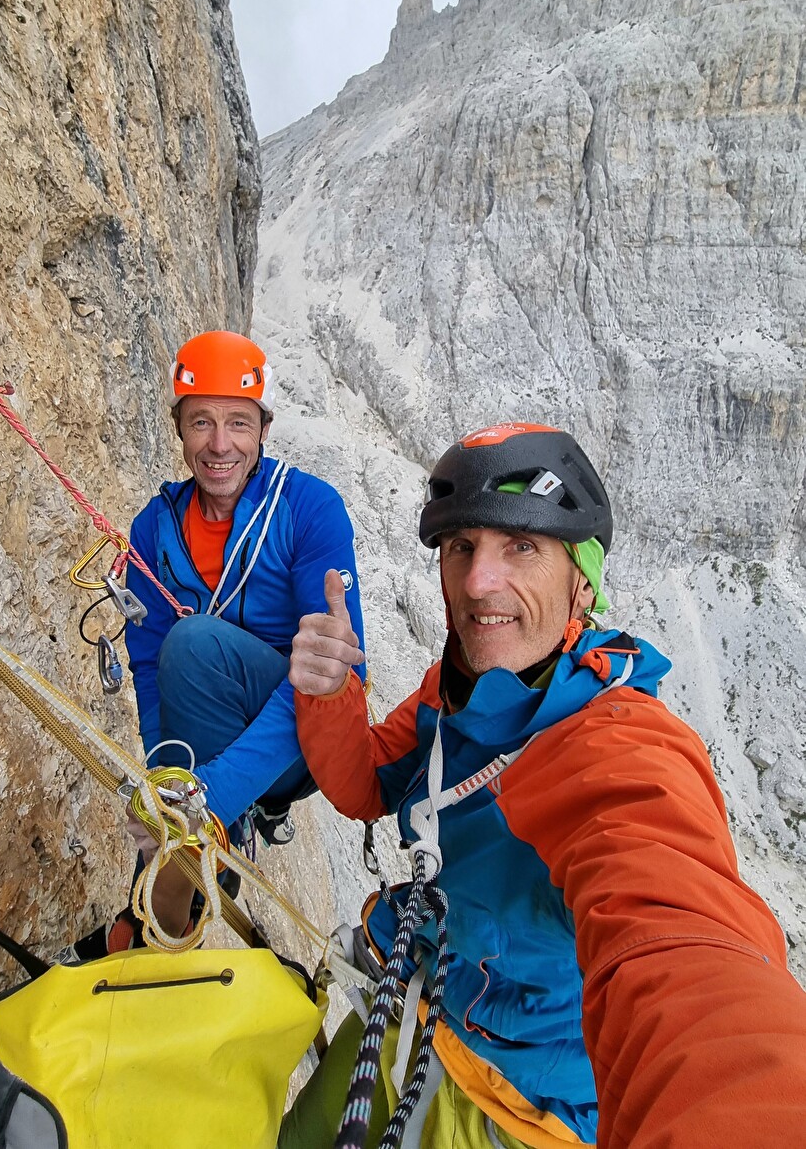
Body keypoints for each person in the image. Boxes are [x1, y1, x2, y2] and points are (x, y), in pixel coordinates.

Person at [284, 422, 806, 1149]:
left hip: (529, 1106)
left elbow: (678, 933)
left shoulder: (618, 741)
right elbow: (366, 787)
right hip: (422, 1007)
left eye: (519, 548)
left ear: (581, 583)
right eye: (461, 548)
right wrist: (329, 693)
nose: (477, 581)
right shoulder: (453, 688)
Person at [71, 330, 366, 957]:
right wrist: (165, 784)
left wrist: (209, 799)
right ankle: (166, 901)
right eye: (200, 421)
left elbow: (326, 674)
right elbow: (148, 669)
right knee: (182, 650)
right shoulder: (154, 528)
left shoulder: (310, 510)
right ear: (179, 427)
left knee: (195, 644)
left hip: (300, 739)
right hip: (210, 744)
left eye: (239, 421)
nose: (219, 443)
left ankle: (166, 912)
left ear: (264, 429)